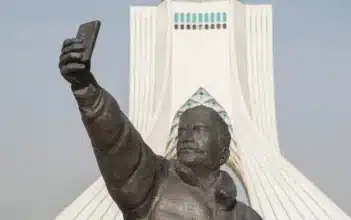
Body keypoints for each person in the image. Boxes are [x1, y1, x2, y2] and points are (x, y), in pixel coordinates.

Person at [59, 37, 263, 220]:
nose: (186, 137)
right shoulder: (153, 184)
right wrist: (86, 90)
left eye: (198, 129)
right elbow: (118, 143)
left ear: (223, 154)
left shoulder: (244, 216)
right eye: (181, 131)